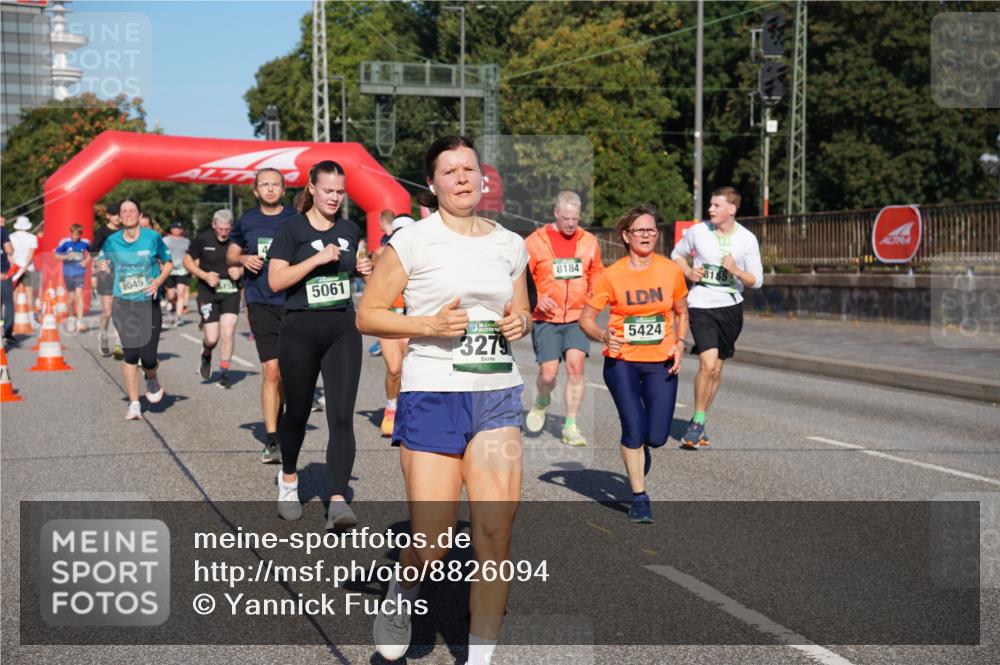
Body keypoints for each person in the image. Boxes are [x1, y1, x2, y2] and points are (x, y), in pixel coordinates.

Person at [356, 136, 531, 665]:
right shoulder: (413, 242)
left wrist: (521, 321)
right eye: (449, 171)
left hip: (496, 392)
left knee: (495, 536)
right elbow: (369, 314)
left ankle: (478, 659)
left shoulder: (510, 244)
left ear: (483, 179)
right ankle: (403, 592)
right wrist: (427, 324)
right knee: (432, 544)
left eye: (469, 169)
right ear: (431, 184)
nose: (461, 177)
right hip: (432, 394)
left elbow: (520, 313)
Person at [267, 160, 373, 527]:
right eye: (328, 190)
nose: (335, 197)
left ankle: (338, 499)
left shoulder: (349, 228)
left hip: (342, 327)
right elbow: (277, 282)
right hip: (299, 328)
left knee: (341, 416)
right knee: (296, 412)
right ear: (312, 188)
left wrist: (362, 270)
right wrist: (316, 259)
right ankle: (289, 479)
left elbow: (352, 268)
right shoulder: (290, 229)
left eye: (340, 191)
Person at [579, 204, 689, 523]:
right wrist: (602, 335)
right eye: (640, 230)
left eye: (652, 230)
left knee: (655, 436)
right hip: (622, 362)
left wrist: (681, 344)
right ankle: (639, 496)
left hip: (661, 361)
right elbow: (586, 318)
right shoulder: (610, 276)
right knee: (632, 427)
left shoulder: (670, 270)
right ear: (626, 236)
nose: (647, 235)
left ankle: (642, 451)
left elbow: (681, 311)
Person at [670, 187, 763, 449]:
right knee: (708, 364)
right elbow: (676, 255)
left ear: (731, 209)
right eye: (710, 205)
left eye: (716, 205)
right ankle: (697, 423)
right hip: (701, 302)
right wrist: (688, 271)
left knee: (718, 368)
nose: (710, 209)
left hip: (731, 306)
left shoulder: (747, 239)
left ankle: (699, 419)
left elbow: (757, 281)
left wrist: (735, 271)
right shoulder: (699, 232)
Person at [227, 167, 298, 463]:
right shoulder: (247, 221)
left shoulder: (296, 219)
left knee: (289, 374)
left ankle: (281, 417)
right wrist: (243, 258)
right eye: (264, 185)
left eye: (275, 185)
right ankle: (271, 440)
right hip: (260, 301)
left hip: (293, 301)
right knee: (271, 370)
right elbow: (231, 254)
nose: (270, 189)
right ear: (255, 191)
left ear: (283, 190)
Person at [523, 191, 604, 446]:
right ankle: (542, 401)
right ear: (556, 213)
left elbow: (597, 272)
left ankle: (570, 425)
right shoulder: (535, 242)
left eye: (575, 219)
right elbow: (522, 278)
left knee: (575, 368)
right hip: (546, 317)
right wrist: (536, 298)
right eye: (566, 218)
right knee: (548, 374)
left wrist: (595, 299)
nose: (571, 223)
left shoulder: (589, 241)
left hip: (578, 317)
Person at [98, 199, 172, 420]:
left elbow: (168, 263)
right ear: (119, 217)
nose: (128, 214)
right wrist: (102, 267)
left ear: (139, 215)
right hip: (123, 303)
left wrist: (158, 282)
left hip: (148, 303)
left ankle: (151, 377)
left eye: (132, 211)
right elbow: (103, 263)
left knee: (148, 357)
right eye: (124, 211)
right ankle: (134, 403)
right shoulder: (111, 241)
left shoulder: (152, 238)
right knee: (130, 353)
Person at [184, 209, 242, 389]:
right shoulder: (203, 238)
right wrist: (204, 275)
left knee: (228, 330)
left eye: (227, 229)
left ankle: (224, 372)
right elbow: (187, 260)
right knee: (212, 338)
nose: (224, 233)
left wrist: (240, 270)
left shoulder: (238, 239)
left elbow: (248, 260)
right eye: (221, 229)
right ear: (214, 225)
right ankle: (207, 353)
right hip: (208, 291)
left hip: (231, 290)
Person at [372, 214, 416, 437]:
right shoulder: (381, 254)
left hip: (412, 320)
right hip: (389, 318)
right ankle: (391, 408)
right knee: (394, 368)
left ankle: (409, 411)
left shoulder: (421, 254)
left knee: (411, 372)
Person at [92, 203, 123, 358]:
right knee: (108, 312)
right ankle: (103, 336)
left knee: (120, 310)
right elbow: (92, 251)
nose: (118, 217)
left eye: (119, 213)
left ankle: (118, 343)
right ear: (108, 216)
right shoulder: (103, 231)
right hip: (106, 276)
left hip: (122, 274)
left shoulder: (126, 230)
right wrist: (99, 263)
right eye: (114, 214)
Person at [368, 209, 397, 358]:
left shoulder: (397, 236)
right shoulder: (384, 237)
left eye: (379, 221)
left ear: (383, 221)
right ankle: (383, 340)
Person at [54, 224, 92, 333]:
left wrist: (86, 261)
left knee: (79, 296)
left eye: (78, 235)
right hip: (68, 272)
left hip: (80, 271)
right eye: (74, 234)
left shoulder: (85, 242)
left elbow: (92, 253)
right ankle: (71, 318)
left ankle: (80, 321)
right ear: (71, 233)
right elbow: (56, 255)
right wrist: (67, 256)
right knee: (70, 298)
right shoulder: (65, 242)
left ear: (81, 234)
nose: (75, 237)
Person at [9, 216, 38, 324]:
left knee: (14, 292)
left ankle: (16, 316)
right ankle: (30, 317)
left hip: (14, 267)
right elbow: (31, 254)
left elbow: (9, 253)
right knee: (29, 292)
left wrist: (15, 264)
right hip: (28, 267)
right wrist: (25, 266)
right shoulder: (32, 237)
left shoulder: (10, 237)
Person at [162, 221, 191, 326]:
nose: (176, 230)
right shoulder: (166, 240)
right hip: (169, 270)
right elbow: (160, 253)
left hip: (182, 270)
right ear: (171, 230)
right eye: (174, 228)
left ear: (182, 230)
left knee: (181, 293)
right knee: (171, 295)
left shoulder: (186, 241)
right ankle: (171, 305)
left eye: (179, 228)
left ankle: (178, 317)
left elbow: (189, 255)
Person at [1, 219, 15, 343]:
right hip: (3, 274)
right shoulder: (3, 231)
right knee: (8, 302)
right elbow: (9, 250)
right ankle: (7, 332)